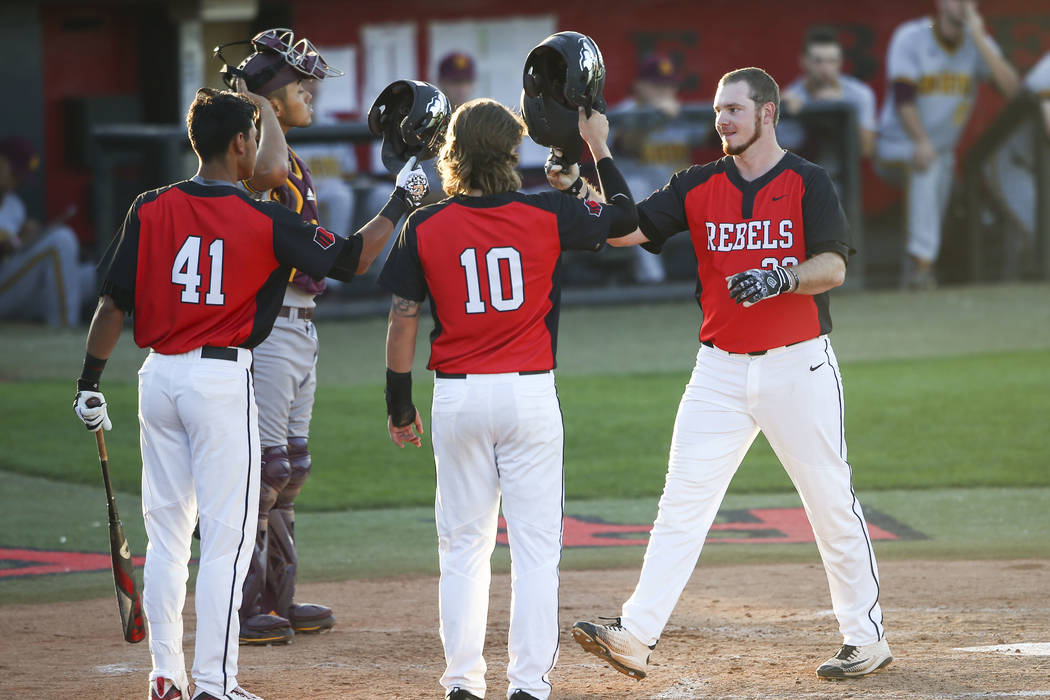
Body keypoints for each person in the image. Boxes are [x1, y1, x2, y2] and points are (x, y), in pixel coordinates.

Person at [71, 87, 426, 700]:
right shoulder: (263, 217)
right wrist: (404, 198)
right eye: (256, 137)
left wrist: (88, 383)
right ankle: (215, 683)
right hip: (219, 380)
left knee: (167, 538)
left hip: (156, 378)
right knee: (228, 543)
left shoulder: (149, 206)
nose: (263, 150)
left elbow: (112, 306)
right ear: (240, 144)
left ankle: (164, 678)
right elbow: (350, 259)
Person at [560, 67, 893, 681]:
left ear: (767, 113)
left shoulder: (807, 181)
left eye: (735, 110)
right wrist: (597, 155)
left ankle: (865, 636)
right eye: (718, 110)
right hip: (717, 370)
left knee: (829, 503)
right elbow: (626, 228)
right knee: (681, 503)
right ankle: (635, 634)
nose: (722, 121)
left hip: (799, 364)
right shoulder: (698, 183)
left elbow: (833, 266)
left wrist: (781, 277)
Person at [379, 99, 637, 700]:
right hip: (529, 396)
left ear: (454, 155)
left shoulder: (426, 222)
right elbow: (624, 220)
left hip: (458, 399)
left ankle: (462, 684)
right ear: (511, 154)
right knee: (536, 550)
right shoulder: (548, 211)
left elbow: (402, 320)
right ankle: (528, 686)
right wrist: (596, 150)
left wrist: (398, 403)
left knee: (463, 549)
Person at [222, 28, 344, 645]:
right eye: (298, 89)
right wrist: (262, 108)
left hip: (302, 328)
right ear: (270, 102)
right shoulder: (258, 155)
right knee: (264, 470)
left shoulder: (289, 153)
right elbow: (264, 171)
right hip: (269, 329)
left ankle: (279, 598)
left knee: (291, 467)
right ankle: (243, 608)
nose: (310, 96)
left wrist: (268, 109)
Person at [876, 0, 1019, 289]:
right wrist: (920, 140)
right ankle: (921, 268)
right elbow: (904, 98)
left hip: (940, 151)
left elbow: (1014, 91)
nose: (963, 5)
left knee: (932, 194)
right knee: (926, 166)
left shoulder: (977, 43)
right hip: (897, 143)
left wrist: (979, 39)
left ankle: (915, 272)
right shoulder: (913, 34)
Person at [609, 52, 699, 284]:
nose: (664, 91)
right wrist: (655, 119)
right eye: (656, 85)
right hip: (642, 200)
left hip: (680, 195)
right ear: (639, 85)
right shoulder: (623, 113)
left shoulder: (681, 113)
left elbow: (713, 137)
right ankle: (652, 279)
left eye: (669, 85)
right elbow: (626, 146)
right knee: (635, 188)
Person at [0, 137, 94, 327]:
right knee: (61, 239)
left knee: (94, 275)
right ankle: (65, 331)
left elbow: (13, 247)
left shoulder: (14, 204)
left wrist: (28, 239)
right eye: (14, 173)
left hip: (13, 288)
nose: (17, 181)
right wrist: (18, 240)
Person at [981, 50, 1050, 278]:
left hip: (1035, 170)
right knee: (1039, 231)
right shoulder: (1047, 70)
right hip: (1009, 161)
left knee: (1022, 237)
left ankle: (1010, 293)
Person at [781, 26, 878, 160]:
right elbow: (787, 158)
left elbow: (867, 150)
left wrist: (838, 110)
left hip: (842, 178)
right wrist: (804, 115)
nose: (825, 69)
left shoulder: (859, 94)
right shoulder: (791, 97)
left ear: (840, 62)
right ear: (803, 61)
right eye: (818, 61)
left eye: (832, 61)